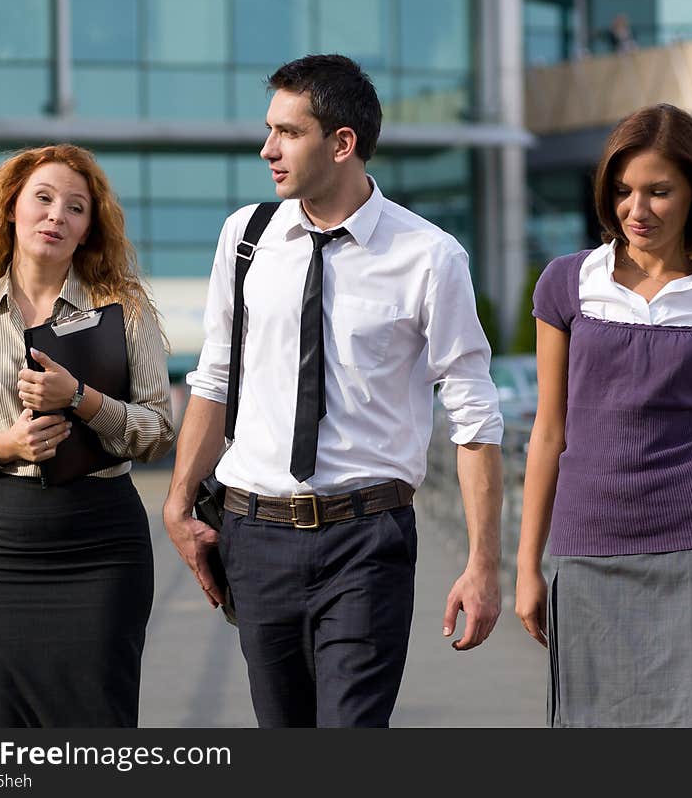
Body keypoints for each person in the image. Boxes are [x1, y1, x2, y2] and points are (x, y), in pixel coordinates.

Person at [163, 53, 504, 728]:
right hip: (254, 537)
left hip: (367, 540)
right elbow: (215, 377)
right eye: (269, 130)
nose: (268, 150)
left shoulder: (430, 256)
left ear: (341, 142)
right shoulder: (245, 238)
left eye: (287, 132)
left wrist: (483, 564)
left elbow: (474, 416)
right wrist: (177, 503)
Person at [515, 103, 692, 728]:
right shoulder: (565, 285)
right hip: (587, 558)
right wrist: (526, 567)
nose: (635, 211)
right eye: (623, 191)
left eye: (658, 191)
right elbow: (549, 433)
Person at [0, 143, 175, 728]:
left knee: (97, 721)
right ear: (11, 209)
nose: (57, 214)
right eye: (43, 198)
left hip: (103, 542)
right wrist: (1, 446)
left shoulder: (125, 313)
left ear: (88, 230)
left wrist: (81, 400)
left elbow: (159, 431)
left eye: (76, 207)